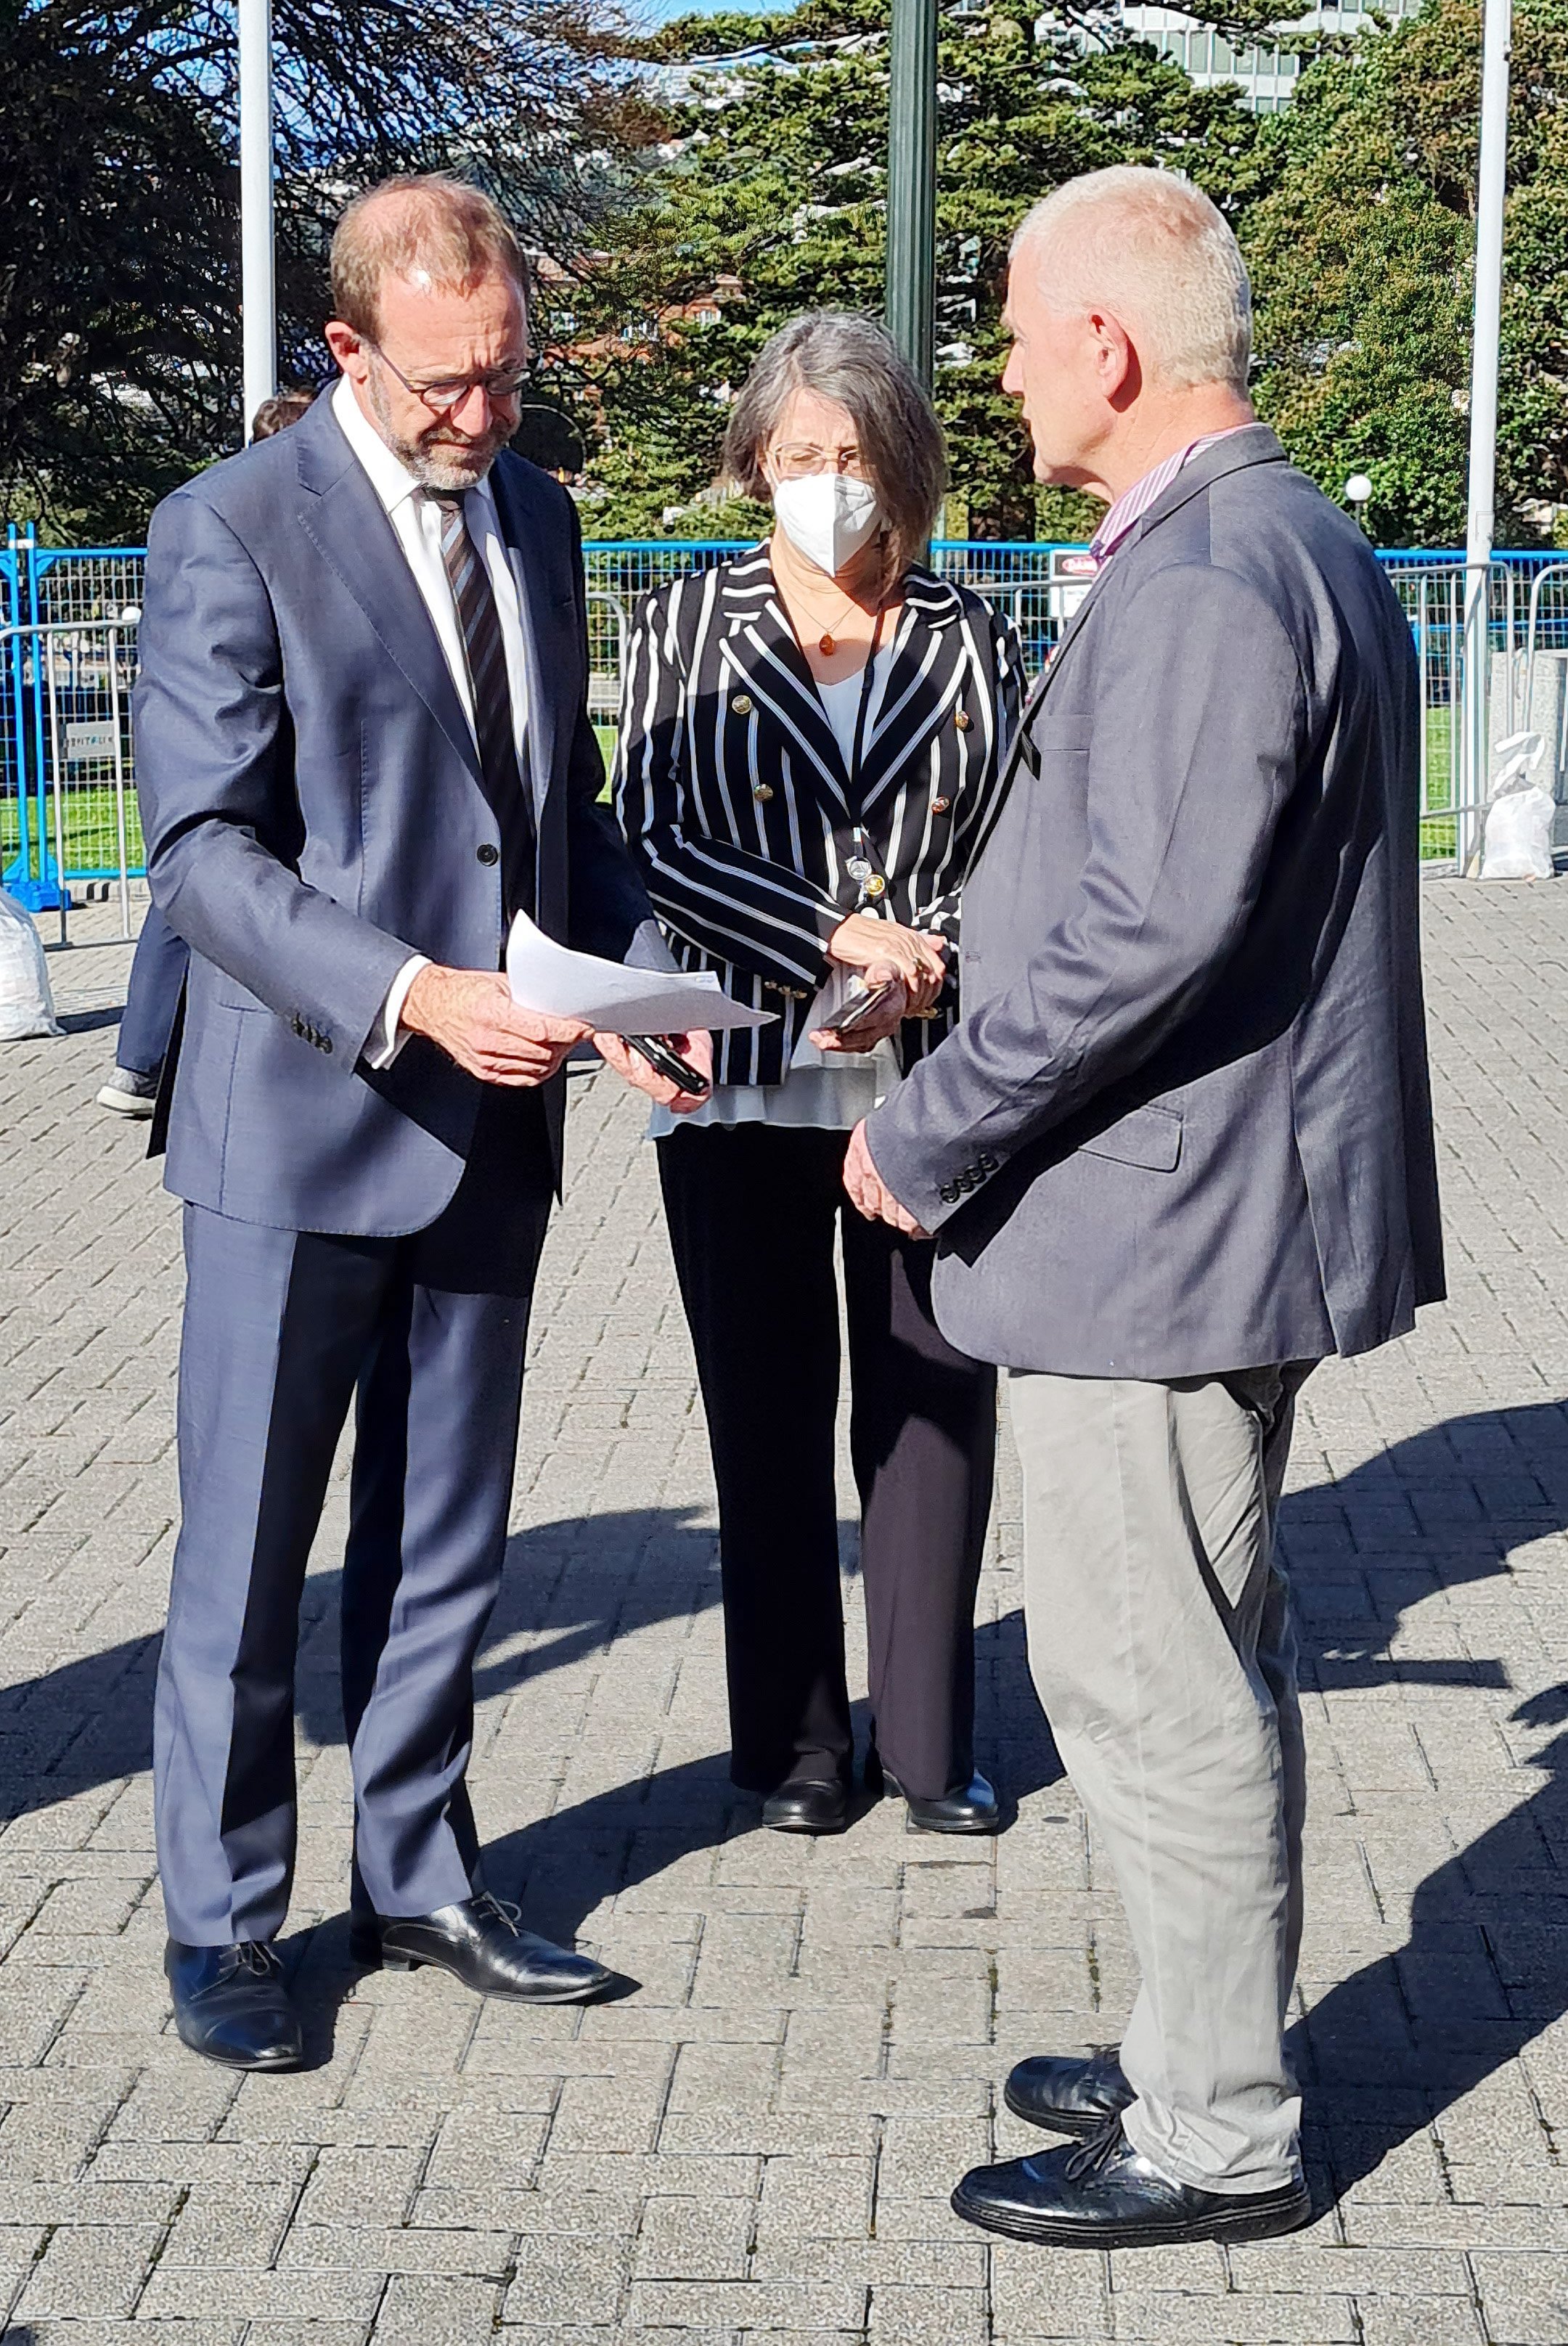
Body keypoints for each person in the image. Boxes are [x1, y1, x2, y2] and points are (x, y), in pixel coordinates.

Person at [846, 168, 1444, 2246]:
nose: (1000, 379)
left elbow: (1145, 934)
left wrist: (924, 1134)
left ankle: (1216, 2128)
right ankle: (1197, 2036)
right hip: (1210, 1216)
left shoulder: (1206, 574)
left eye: (1014, 335)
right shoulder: (1286, 539)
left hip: (1160, 1239)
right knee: (1195, 1658)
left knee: (1151, 1684)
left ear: (1107, 345)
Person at [134, 174, 709, 2074]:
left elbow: (563, 808)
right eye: (451, 383)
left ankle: (419, 1866)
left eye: (512, 374)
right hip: (301, 1127)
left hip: (500, 1127)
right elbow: (204, 853)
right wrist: (411, 993)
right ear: (349, 349)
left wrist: (633, 980)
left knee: (444, 1539)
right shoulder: (228, 527)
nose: (488, 414)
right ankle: (224, 1926)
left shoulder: (538, 515)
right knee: (249, 1552)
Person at [614, 312, 1024, 1838]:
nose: (827, 485)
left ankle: (928, 1743)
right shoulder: (680, 621)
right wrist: (829, 934)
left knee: (931, 1407)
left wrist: (929, 952)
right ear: (755, 463)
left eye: (853, 458)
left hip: (930, 1082)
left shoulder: (969, 631)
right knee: (764, 1410)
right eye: (800, 458)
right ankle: (789, 1742)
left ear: (900, 466)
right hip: (743, 1074)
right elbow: (653, 830)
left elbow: (1023, 847)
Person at [97, 388, 318, 1119]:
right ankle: (143, 1060)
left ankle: (138, 1059)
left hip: (221, 759)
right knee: (200, 882)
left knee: (186, 901)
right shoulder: (224, 519)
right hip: (234, 765)